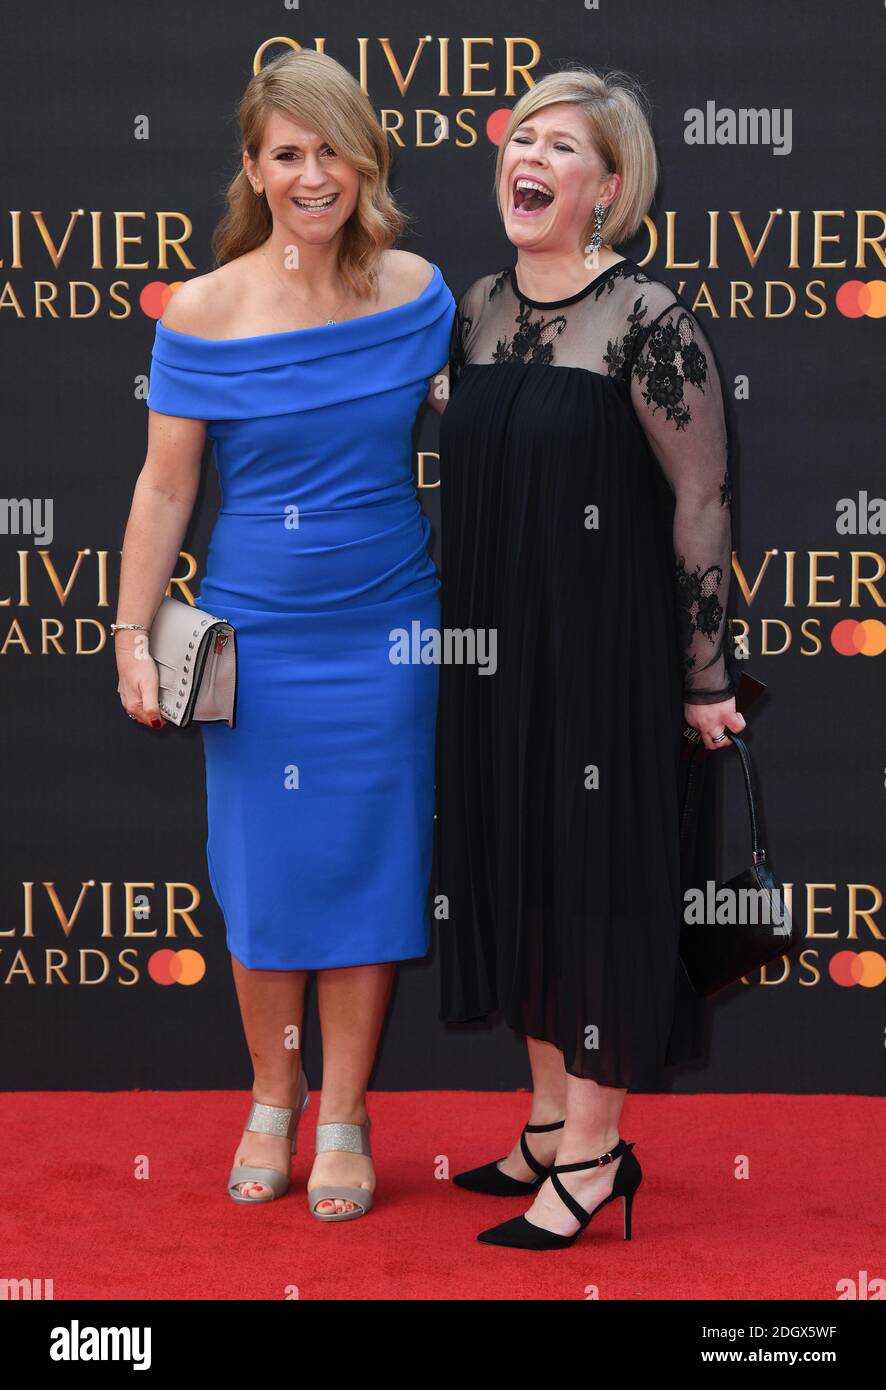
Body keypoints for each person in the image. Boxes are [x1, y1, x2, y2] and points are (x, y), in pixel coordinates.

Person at [114, 49, 454, 1221]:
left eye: (334, 151)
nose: (315, 175)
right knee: (263, 873)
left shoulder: (415, 292)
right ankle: (274, 1092)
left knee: (370, 867)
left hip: (388, 631)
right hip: (256, 640)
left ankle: (348, 1114)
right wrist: (126, 633)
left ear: (366, 160)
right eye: (289, 154)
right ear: (254, 171)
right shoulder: (201, 310)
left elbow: (499, 429)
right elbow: (165, 492)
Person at [431, 66, 747, 1250]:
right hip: (492, 652)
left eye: (565, 148)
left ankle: (599, 1155)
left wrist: (702, 673)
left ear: (607, 189)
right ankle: (549, 1120)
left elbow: (701, 496)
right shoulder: (475, 306)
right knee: (518, 874)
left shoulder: (646, 317)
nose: (532, 157)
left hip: (602, 654)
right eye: (525, 139)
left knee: (595, 888)